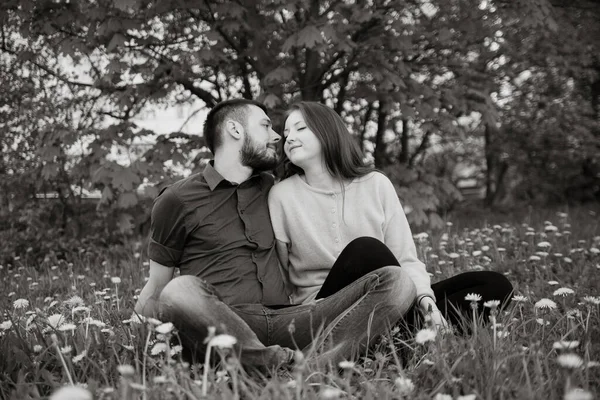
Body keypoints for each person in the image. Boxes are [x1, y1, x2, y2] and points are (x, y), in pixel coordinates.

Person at [133, 99, 417, 369]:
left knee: (396, 280)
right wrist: (135, 344)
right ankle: (284, 366)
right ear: (235, 129)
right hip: (223, 321)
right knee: (179, 290)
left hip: (290, 319)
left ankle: (308, 368)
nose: (278, 136)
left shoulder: (273, 189)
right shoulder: (177, 199)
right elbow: (157, 288)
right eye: (265, 126)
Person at [268, 101, 513, 333]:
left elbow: (405, 258)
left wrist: (428, 304)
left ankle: (402, 331)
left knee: (493, 285)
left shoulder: (375, 184)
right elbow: (280, 273)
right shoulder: (280, 195)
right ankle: (396, 331)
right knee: (366, 250)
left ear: (327, 132)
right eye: (286, 132)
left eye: (300, 128)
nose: (289, 138)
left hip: (388, 294)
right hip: (324, 309)